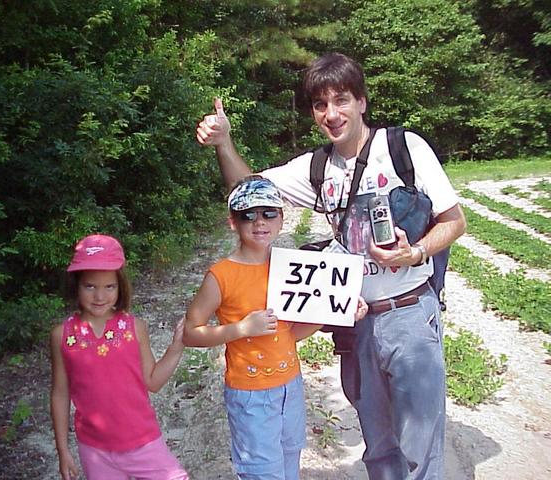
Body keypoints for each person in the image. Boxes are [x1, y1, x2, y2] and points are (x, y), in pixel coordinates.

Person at [196, 53, 466, 479]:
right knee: (377, 444)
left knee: (419, 444)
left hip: (410, 313)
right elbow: (250, 191)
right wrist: (224, 143)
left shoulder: (404, 148)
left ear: (361, 101)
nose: (332, 113)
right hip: (354, 324)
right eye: (321, 105)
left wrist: (413, 253)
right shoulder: (317, 167)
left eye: (341, 100)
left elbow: (454, 222)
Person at [184, 176, 368, 480]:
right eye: (248, 215)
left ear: (282, 219)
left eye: (269, 213)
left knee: (289, 461)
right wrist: (241, 329)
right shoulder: (221, 275)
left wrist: (338, 311)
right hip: (250, 394)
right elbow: (191, 332)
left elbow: (291, 333)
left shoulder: (289, 268)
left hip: (290, 386)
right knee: (261, 472)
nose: (259, 222)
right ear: (233, 222)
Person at [50, 234, 189, 480]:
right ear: (76, 285)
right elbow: (60, 393)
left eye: (109, 287)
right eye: (90, 286)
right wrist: (63, 450)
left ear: (120, 286)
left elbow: (153, 382)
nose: (99, 296)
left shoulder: (135, 328)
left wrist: (177, 346)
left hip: (144, 443)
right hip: (95, 451)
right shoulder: (62, 335)